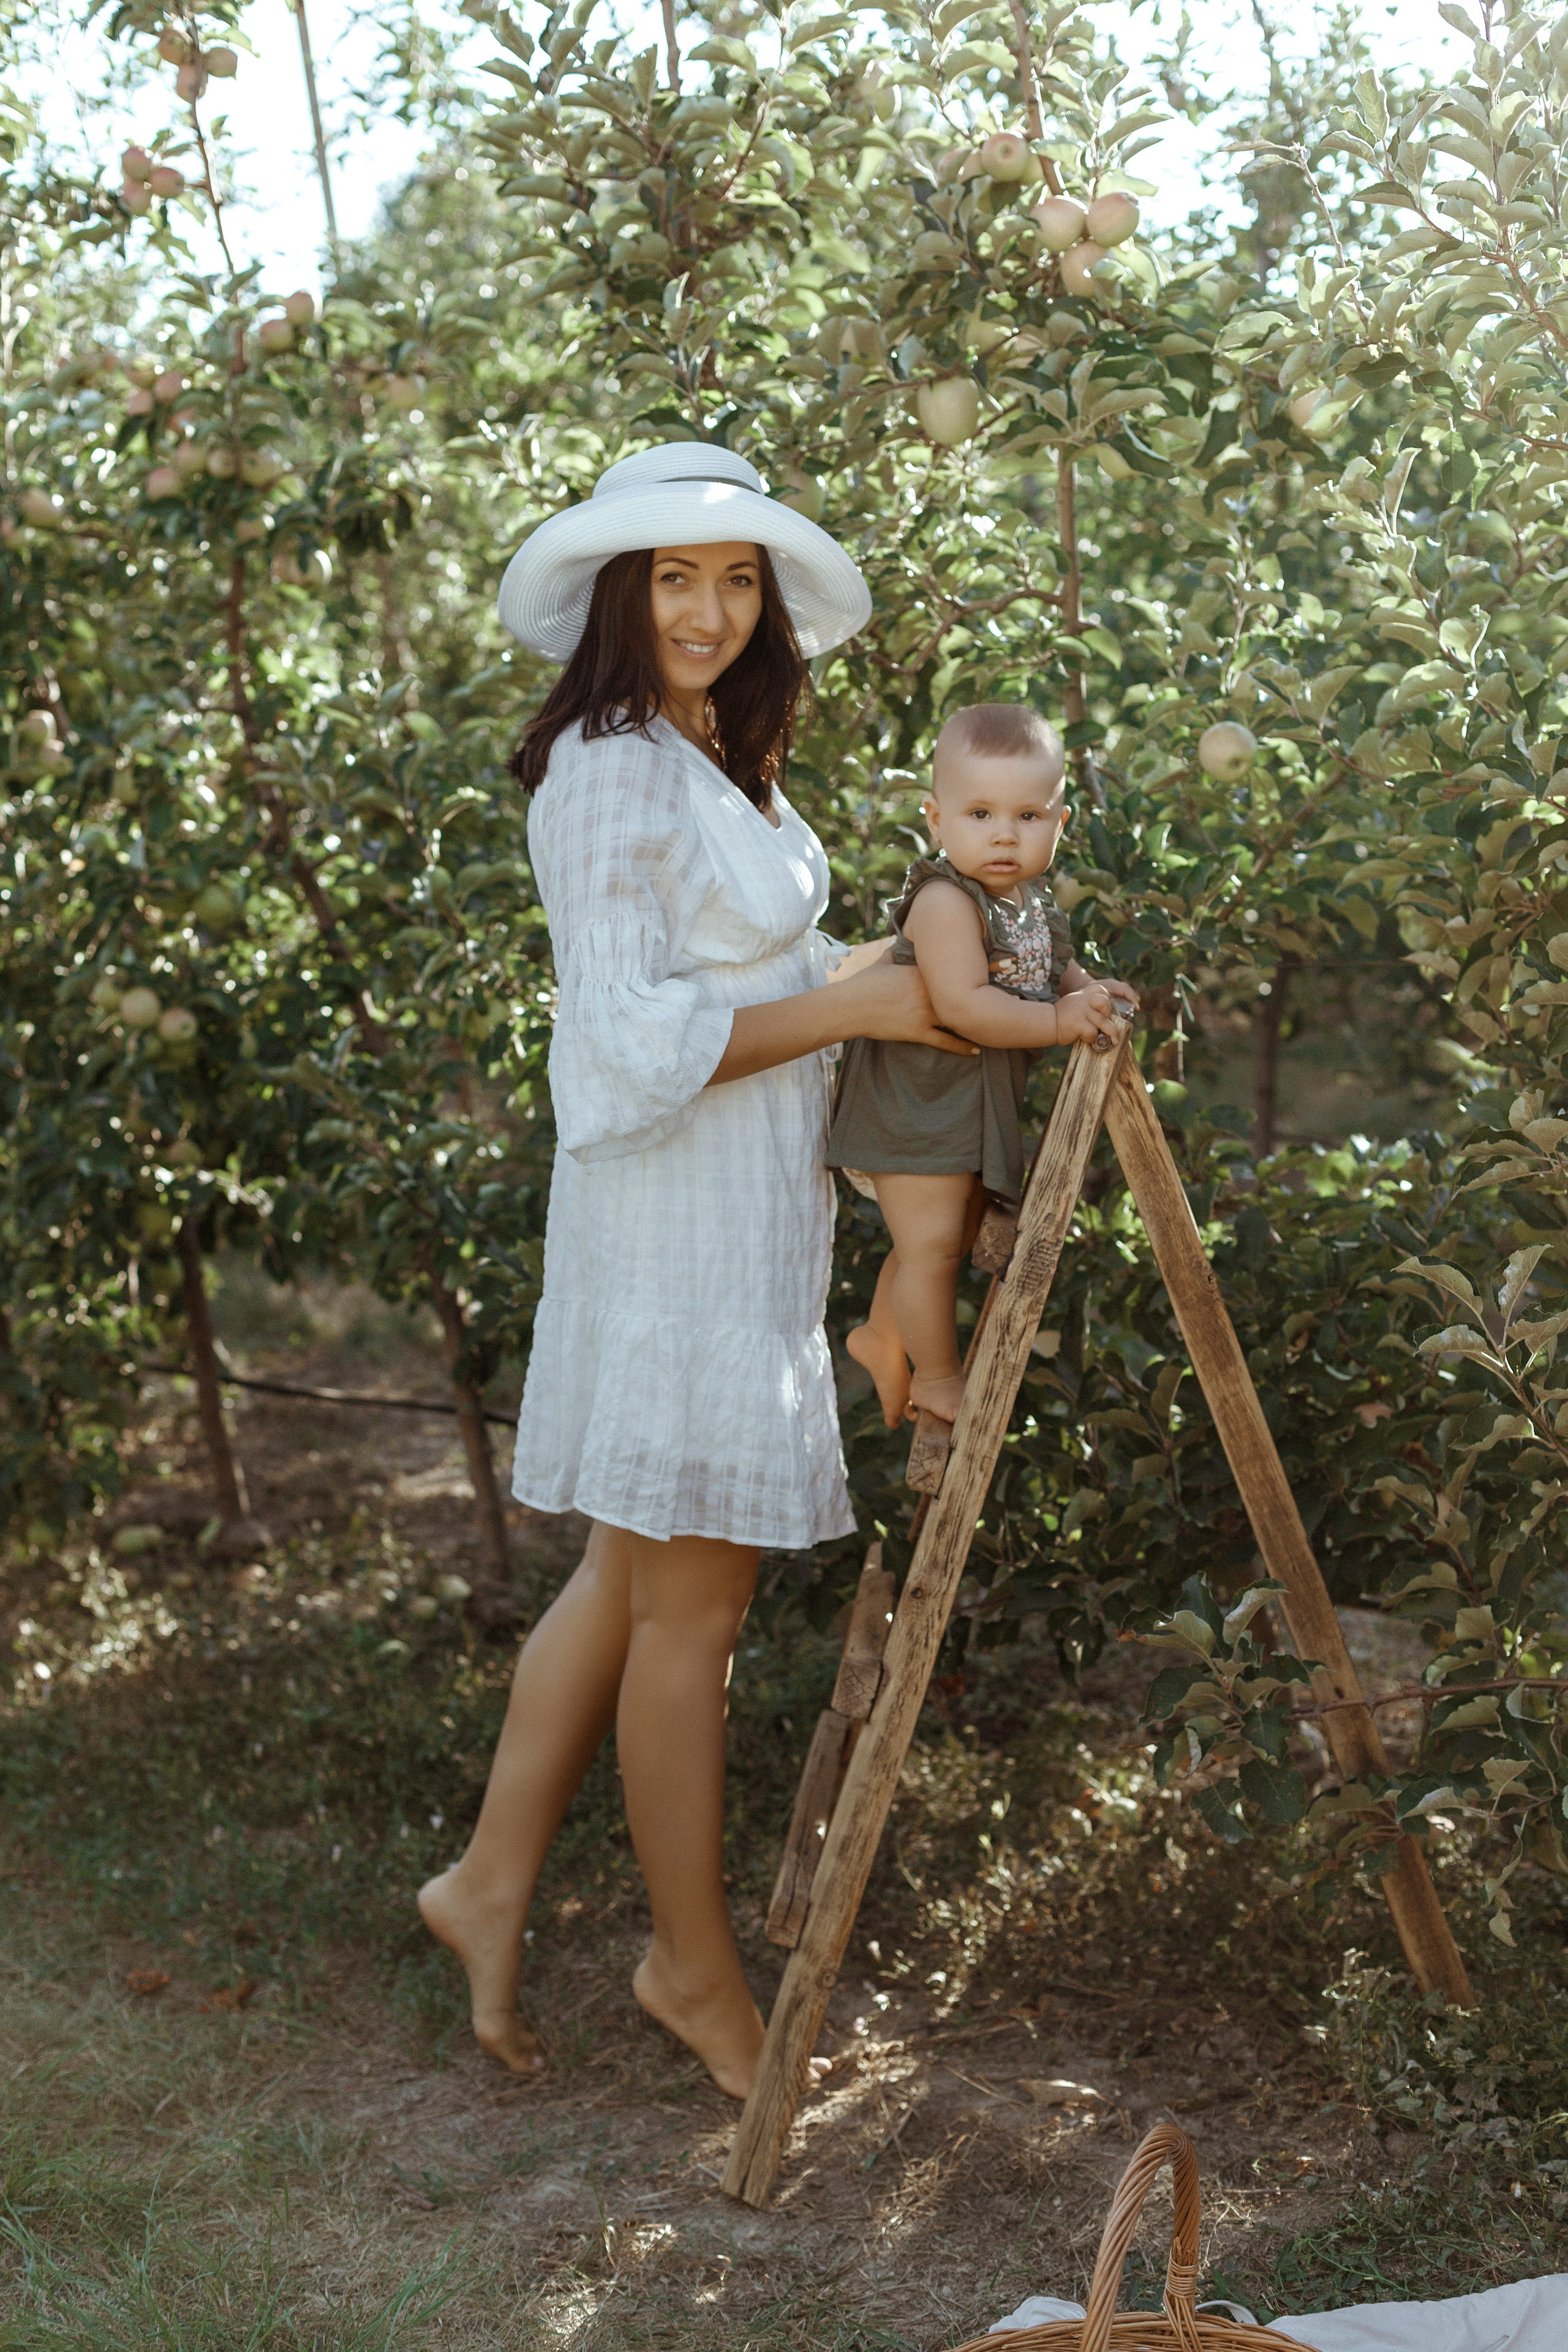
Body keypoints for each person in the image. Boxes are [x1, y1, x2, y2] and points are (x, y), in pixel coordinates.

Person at [417, 443, 978, 2100]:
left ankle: (487, 1885)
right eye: (675, 577)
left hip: (742, 1212)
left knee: (629, 1578)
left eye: (737, 580)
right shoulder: (605, 768)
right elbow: (617, 1045)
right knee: (695, 1612)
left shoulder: (713, 759)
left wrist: (925, 966)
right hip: (669, 1224)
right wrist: (855, 1008)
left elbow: (765, 970)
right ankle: (690, 1969)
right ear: (618, 591)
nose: (711, 612)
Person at [826, 703, 1137, 1431]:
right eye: (979, 813)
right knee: (931, 1246)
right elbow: (965, 1004)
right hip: (916, 1102)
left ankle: (881, 1334)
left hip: (964, 1103)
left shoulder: (1028, 902)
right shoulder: (943, 902)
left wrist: (1084, 991)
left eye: (1028, 816)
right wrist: (1061, 1023)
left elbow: (1049, 964)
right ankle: (936, 1377)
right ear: (937, 820)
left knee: (951, 1232)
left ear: (1058, 824)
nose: (1004, 833)